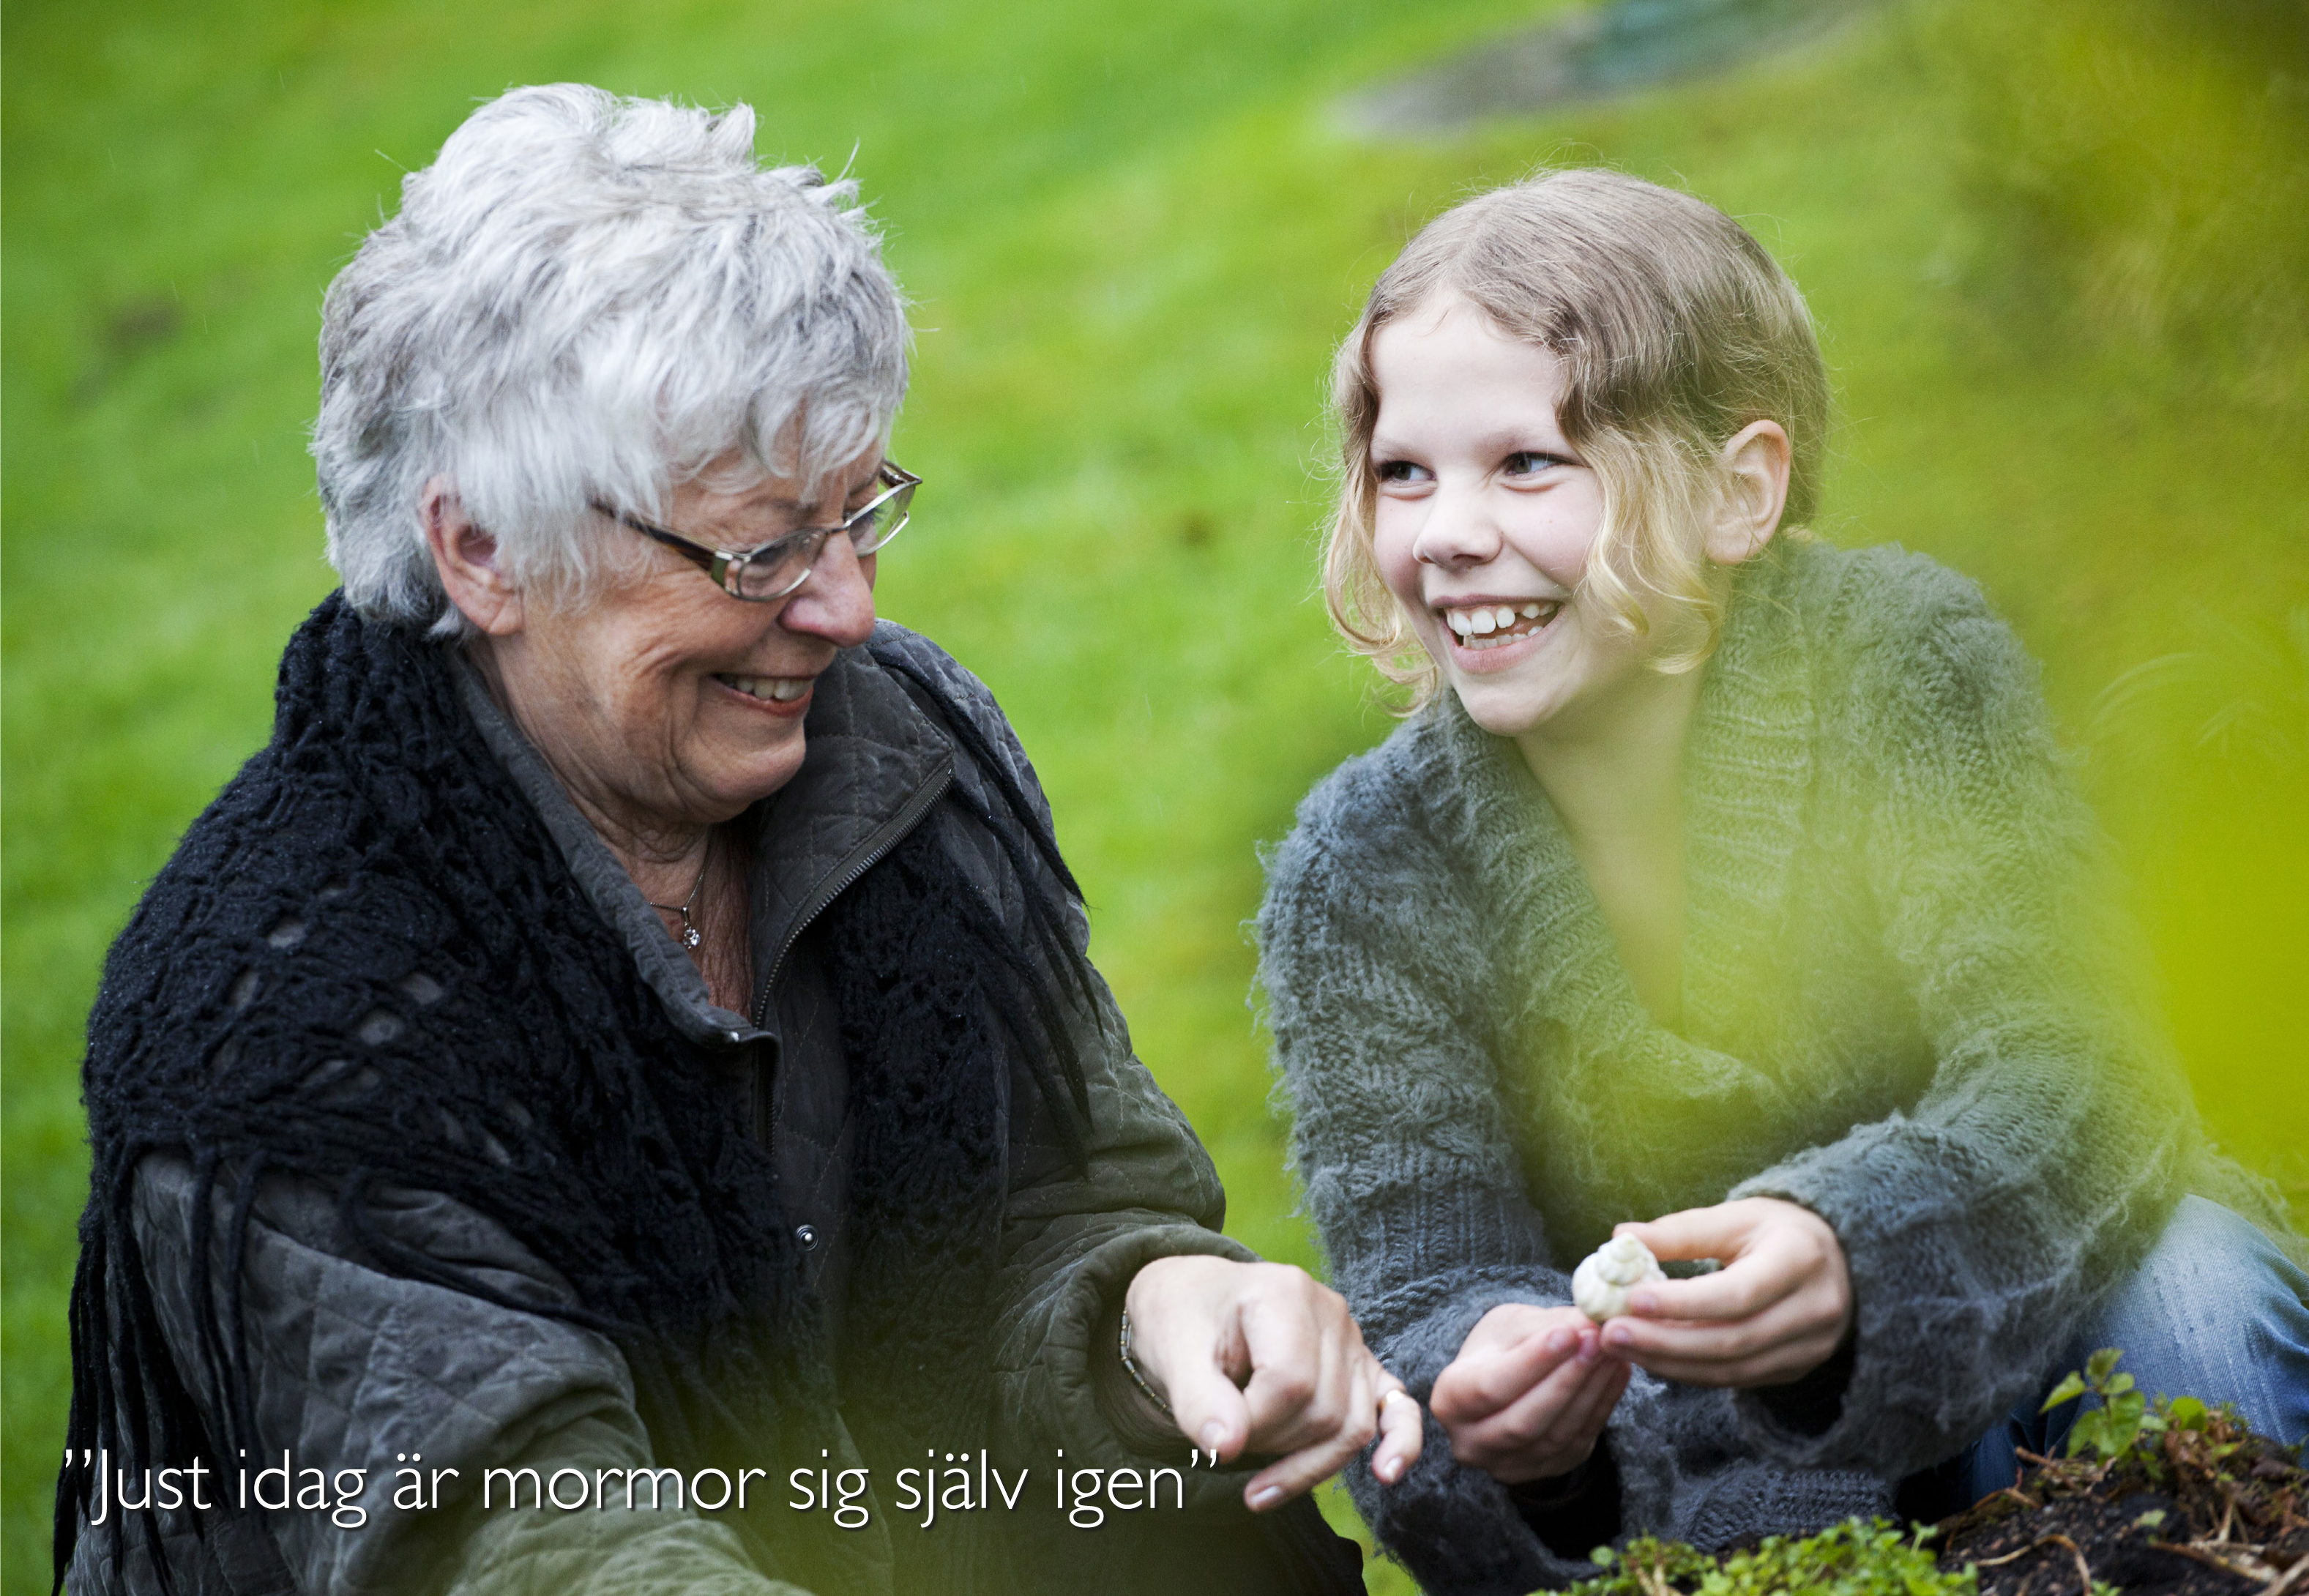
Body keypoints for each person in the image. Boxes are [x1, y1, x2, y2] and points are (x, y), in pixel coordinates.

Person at [56, 85, 1423, 1596]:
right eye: (761, 546)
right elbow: (535, 1545)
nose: (849, 608)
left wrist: (1156, 1312)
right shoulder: (286, 1023)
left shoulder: (892, 750)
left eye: (859, 514)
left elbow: (1060, 1205)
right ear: (484, 551)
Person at [1255, 168, 2309, 1596]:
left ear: (1736, 490)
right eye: (1401, 470)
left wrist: (1844, 1255)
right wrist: (1501, 1391)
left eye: (1526, 463)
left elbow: (2073, 1071)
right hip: (1685, 1461)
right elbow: (1430, 1293)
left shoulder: (1898, 667)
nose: (1444, 531)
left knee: (2190, 1277)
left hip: (2025, 1332)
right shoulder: (1361, 873)